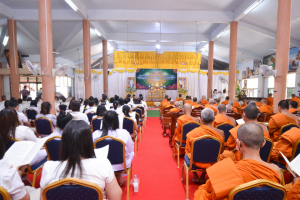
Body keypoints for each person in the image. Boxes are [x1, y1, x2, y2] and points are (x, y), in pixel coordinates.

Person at [194, 123, 281, 200]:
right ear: (263, 143)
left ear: (238, 143)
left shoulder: (226, 169)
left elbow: (210, 193)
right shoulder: (276, 170)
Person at [40, 120, 122, 200]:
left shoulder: (48, 167)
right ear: (89, 142)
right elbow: (115, 197)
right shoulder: (103, 165)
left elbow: (42, 198)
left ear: (64, 142)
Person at [92, 111, 134, 187]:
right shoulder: (124, 133)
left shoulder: (95, 134)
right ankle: (118, 176)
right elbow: (131, 149)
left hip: (101, 166)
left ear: (103, 121)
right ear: (117, 120)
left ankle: (107, 179)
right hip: (121, 165)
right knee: (131, 153)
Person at [185, 108, 225, 184]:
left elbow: (189, 150)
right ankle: (204, 175)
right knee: (213, 154)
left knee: (188, 152)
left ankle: (195, 175)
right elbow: (221, 151)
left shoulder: (192, 133)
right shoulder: (221, 133)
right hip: (213, 160)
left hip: (195, 161)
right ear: (214, 118)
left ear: (202, 119)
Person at [0, 135, 40, 200]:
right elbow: (25, 199)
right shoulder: (8, 175)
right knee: (45, 191)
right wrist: (16, 176)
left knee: (29, 188)